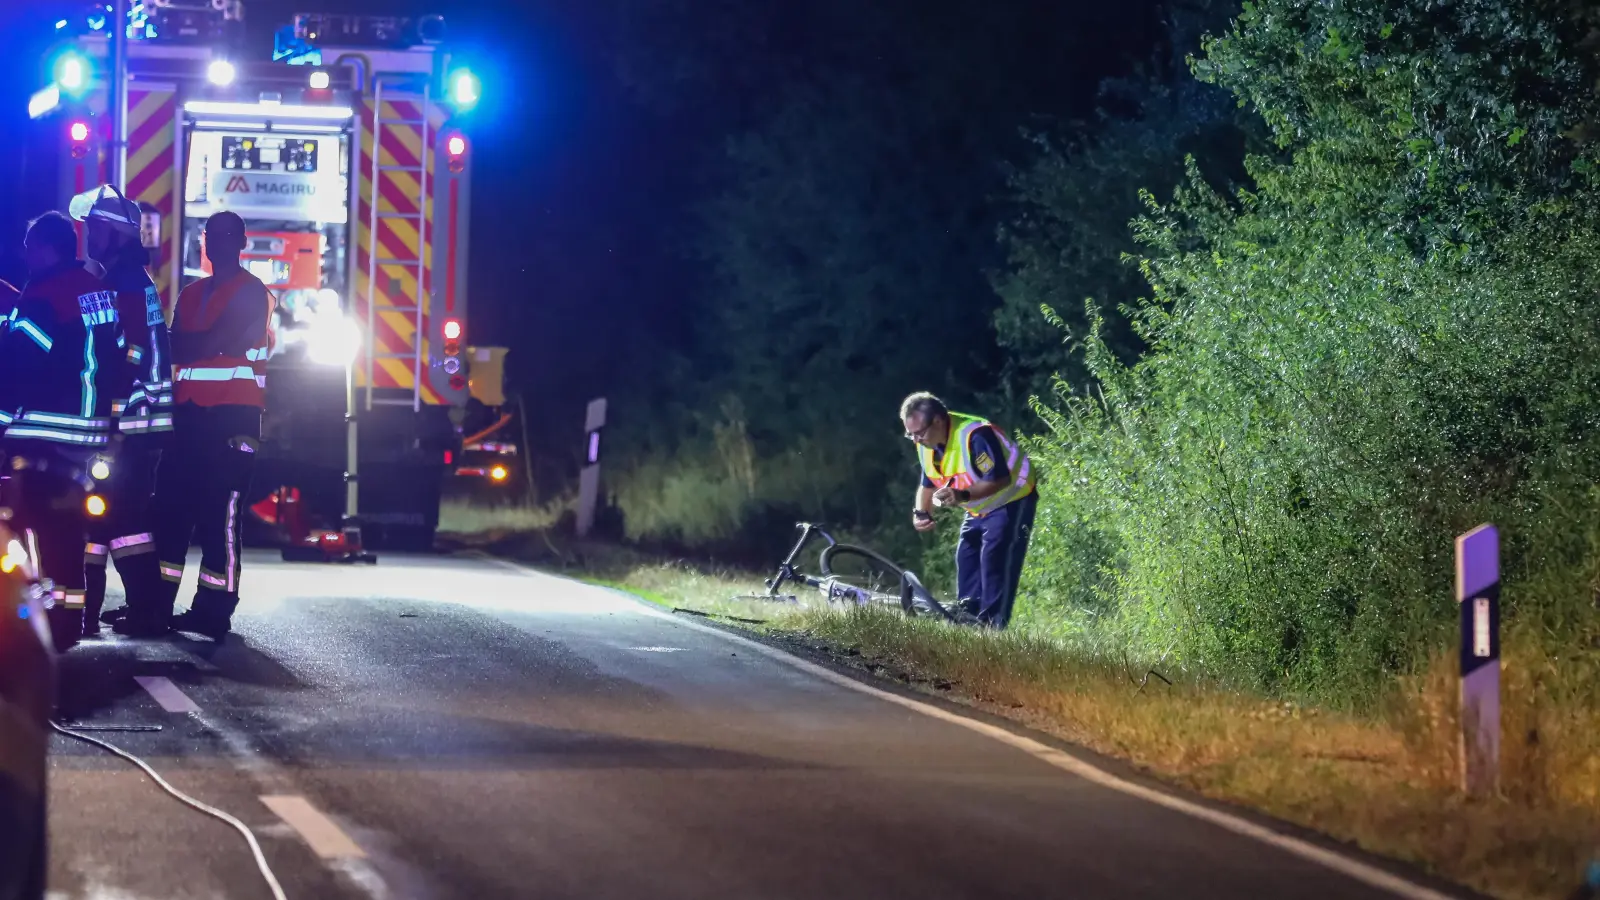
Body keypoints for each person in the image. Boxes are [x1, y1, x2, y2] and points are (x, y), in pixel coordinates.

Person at [138, 212, 271, 641]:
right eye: (212, 236)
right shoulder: (193, 293)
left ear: (242, 241)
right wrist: (191, 345)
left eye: (227, 236)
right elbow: (184, 345)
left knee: (221, 517)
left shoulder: (253, 293)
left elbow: (214, 343)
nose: (218, 243)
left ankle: (214, 611)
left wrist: (186, 344)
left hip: (234, 421)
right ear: (205, 242)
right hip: (190, 419)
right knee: (170, 513)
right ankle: (157, 605)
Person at [0, 212, 128, 650]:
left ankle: (29, 625)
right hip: (88, 431)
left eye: (29, 245)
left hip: (45, 429)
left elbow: (21, 361)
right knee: (67, 533)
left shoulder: (44, 291)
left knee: (26, 527)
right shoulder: (94, 290)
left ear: (45, 248)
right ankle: (68, 621)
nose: (25, 253)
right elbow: (112, 357)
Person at [70, 184, 173, 636]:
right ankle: (125, 608)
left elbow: (127, 351)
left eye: (93, 229)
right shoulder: (128, 277)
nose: (88, 237)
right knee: (113, 516)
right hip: (134, 421)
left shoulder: (125, 282)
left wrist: (110, 409)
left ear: (113, 234)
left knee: (125, 521)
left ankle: (147, 611)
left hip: (131, 421)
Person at [902, 392, 1039, 628]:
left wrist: (962, 495)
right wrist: (920, 512)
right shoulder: (927, 443)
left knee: (995, 559)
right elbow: (927, 482)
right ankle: (967, 618)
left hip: (1013, 498)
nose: (915, 440)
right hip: (979, 506)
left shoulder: (975, 435)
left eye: (919, 433)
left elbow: (999, 479)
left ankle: (991, 628)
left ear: (937, 421)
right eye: (910, 434)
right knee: (966, 555)